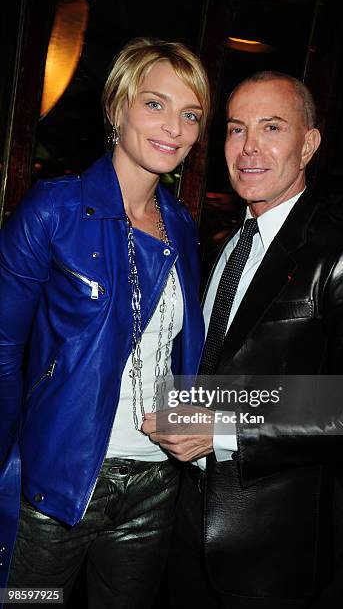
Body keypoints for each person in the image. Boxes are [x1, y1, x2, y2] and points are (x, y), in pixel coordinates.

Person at [143, 71, 343, 608]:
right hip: (180, 521)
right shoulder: (215, 245)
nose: (249, 147)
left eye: (272, 127)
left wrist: (226, 428)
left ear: (308, 144)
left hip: (275, 544)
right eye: (236, 130)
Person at [0, 37, 209, 608]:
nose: (175, 126)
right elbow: (2, 348)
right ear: (117, 108)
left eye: (190, 113)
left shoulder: (184, 228)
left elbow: (178, 352)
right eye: (155, 104)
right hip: (58, 485)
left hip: (155, 483)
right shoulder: (54, 208)